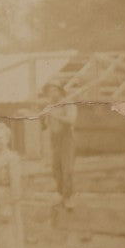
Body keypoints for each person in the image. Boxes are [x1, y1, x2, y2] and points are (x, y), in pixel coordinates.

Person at [41, 80, 78, 212]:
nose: (51, 93)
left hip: (66, 139)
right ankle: (60, 194)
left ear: (60, 91)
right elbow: (45, 126)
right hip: (54, 139)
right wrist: (43, 116)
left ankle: (69, 197)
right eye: (49, 91)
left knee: (67, 168)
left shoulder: (68, 104)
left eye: (54, 90)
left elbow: (71, 120)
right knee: (56, 168)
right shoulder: (49, 106)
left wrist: (53, 115)